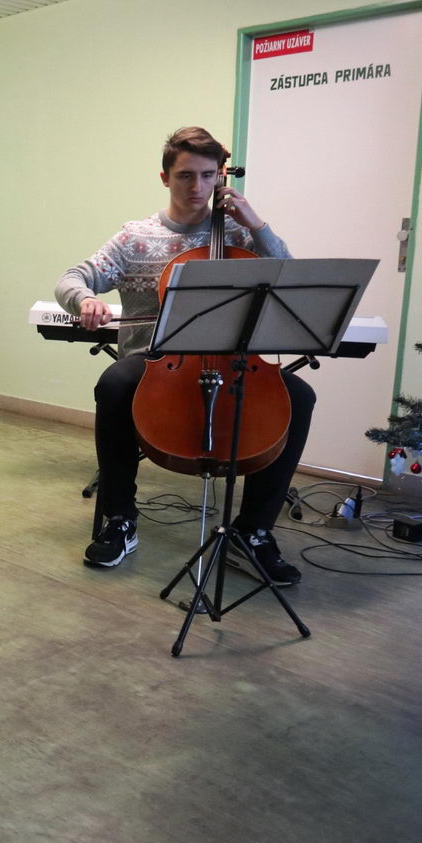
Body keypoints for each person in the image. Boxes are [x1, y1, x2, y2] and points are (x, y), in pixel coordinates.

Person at [55, 126, 315, 585]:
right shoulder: (136, 238)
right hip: (157, 362)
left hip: (235, 362)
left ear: (221, 177)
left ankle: (252, 531)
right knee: (114, 384)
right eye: (186, 176)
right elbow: (72, 277)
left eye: (209, 176)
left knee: (299, 395)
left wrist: (258, 224)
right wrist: (85, 301)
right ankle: (120, 519)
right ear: (164, 178)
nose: (198, 188)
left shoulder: (241, 234)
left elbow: (288, 277)